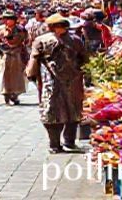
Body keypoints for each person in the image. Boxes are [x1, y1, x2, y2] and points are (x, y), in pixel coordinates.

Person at [26, 13, 87, 154]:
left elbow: (83, 58)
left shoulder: (75, 40)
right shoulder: (42, 41)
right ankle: (54, 143)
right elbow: (34, 59)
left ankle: (69, 142)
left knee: (73, 112)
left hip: (72, 80)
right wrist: (32, 74)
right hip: (51, 81)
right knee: (53, 112)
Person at [0, 9, 29, 105]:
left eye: (9, 19)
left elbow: (26, 41)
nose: (6, 21)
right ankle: (6, 93)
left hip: (17, 56)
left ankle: (15, 94)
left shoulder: (21, 30)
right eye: (5, 19)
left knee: (17, 76)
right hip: (3, 56)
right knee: (3, 74)